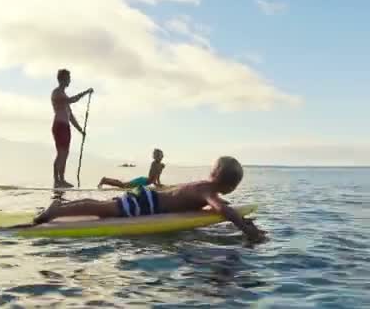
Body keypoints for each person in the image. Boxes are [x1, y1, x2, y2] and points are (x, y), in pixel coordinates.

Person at [33, 156, 267, 242]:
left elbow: (221, 206)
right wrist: (247, 231)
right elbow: (222, 210)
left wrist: (245, 221)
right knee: (102, 209)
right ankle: (55, 211)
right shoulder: (209, 193)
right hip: (146, 204)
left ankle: (59, 208)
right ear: (228, 185)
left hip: (147, 197)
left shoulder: (203, 185)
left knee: (102, 207)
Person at [51, 69, 93, 188]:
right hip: (59, 126)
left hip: (66, 127)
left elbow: (71, 117)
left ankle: (62, 179)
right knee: (61, 153)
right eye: (68, 78)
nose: (70, 80)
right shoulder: (57, 93)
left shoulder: (64, 96)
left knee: (65, 154)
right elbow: (72, 100)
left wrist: (81, 130)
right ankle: (56, 180)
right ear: (62, 79)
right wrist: (86, 92)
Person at [98, 148, 166, 189]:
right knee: (124, 186)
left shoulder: (161, 165)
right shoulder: (154, 164)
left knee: (123, 184)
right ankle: (105, 180)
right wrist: (157, 184)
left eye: (160, 155)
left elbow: (157, 177)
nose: (160, 156)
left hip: (145, 182)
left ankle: (106, 180)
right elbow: (151, 177)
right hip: (142, 181)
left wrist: (158, 184)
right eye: (158, 155)